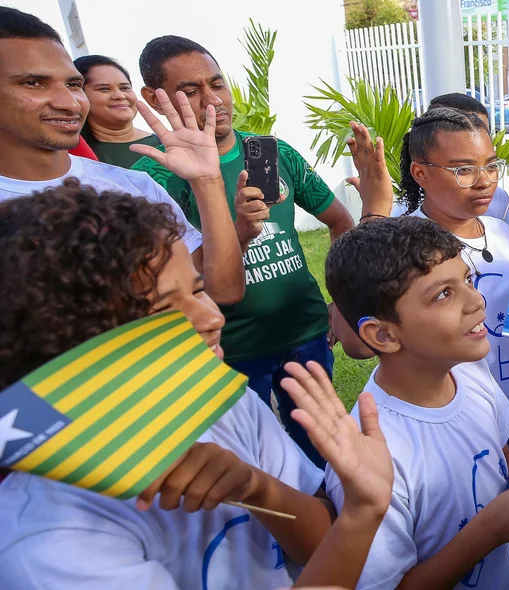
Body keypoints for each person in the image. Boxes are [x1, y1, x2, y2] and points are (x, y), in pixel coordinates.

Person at [0, 182, 390, 589]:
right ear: (70, 344)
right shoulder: (49, 541)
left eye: (198, 289)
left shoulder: (227, 402)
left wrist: (260, 490)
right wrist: (363, 513)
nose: (211, 319)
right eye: (165, 309)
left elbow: (321, 543)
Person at [132, 35, 356, 468]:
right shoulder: (149, 180)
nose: (212, 100)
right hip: (227, 349)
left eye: (217, 84)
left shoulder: (269, 153)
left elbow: (339, 222)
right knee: (252, 463)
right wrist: (238, 230)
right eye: (190, 91)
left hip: (304, 332)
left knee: (325, 452)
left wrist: (340, 304)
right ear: (154, 99)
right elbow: (175, 282)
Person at [323, 216, 509, 590]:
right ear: (382, 334)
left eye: (468, 280)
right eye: (444, 293)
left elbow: (497, 448)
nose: (477, 301)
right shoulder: (370, 456)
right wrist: (490, 529)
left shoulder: (469, 370)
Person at [0, 8, 243, 306]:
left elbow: (221, 292)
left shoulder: (131, 187)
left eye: (73, 84)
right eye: (33, 83)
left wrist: (207, 181)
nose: (69, 103)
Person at [401, 92, 509, 239]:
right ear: (420, 173)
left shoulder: (501, 232)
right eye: (464, 170)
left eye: (491, 166)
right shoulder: (402, 249)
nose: (484, 182)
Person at [73, 55, 162, 169]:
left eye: (125, 88)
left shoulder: (165, 144)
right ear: (79, 95)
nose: (120, 96)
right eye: (104, 89)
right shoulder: (71, 155)